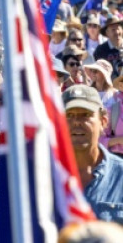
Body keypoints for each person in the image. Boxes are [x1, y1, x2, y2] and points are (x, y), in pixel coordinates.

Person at [64, 85, 123, 223]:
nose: (77, 122)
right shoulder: (40, 176)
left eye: (86, 114)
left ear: (103, 121)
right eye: (69, 115)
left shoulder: (120, 174)